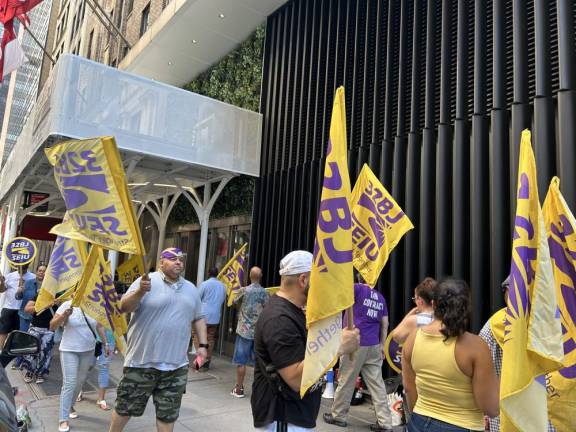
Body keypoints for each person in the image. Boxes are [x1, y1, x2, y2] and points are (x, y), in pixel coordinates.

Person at [251, 250, 360, 431]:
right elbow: (295, 378)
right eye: (319, 280)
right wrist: (337, 347)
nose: (323, 286)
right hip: (284, 417)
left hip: (297, 415)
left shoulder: (296, 310)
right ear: (303, 280)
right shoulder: (279, 320)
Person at [108, 247, 208, 432]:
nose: (178, 262)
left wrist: (202, 345)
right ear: (161, 262)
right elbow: (122, 307)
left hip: (175, 367)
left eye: (181, 259)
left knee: (167, 417)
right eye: (173, 258)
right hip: (141, 363)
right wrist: (140, 292)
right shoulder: (146, 281)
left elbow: (199, 317)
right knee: (124, 410)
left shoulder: (191, 288)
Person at [401, 278, 499, 432]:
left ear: (433, 304)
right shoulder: (476, 347)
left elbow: (409, 388)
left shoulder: (413, 338)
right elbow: (491, 408)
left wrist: (418, 414)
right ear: (467, 308)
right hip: (463, 425)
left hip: (418, 421)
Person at [478, 276, 556, 432]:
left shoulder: (495, 324)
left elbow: (481, 373)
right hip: (548, 408)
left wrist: (482, 410)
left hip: (508, 411)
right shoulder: (554, 323)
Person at [323, 274, 392, 431]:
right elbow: (385, 324)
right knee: (377, 385)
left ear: (359, 277)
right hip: (374, 345)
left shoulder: (356, 289)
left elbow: (337, 294)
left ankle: (338, 416)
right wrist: (382, 345)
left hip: (355, 342)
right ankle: (385, 422)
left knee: (346, 379)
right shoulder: (380, 298)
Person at [50, 300, 111, 432]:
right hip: (69, 350)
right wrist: (64, 316)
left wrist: (106, 343)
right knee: (70, 383)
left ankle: (70, 405)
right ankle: (63, 419)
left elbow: (99, 326)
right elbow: (52, 326)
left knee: (80, 381)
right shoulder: (67, 305)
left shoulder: (95, 304)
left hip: (88, 350)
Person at [230, 266, 268, 398]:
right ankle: (258, 391)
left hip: (243, 331)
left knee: (241, 361)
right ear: (260, 276)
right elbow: (267, 308)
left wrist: (241, 307)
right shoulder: (264, 292)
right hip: (258, 332)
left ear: (250, 276)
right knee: (259, 363)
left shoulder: (244, 290)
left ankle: (239, 389)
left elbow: (233, 302)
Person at [20, 291, 59, 383]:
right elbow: (27, 309)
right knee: (31, 350)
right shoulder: (38, 296)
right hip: (35, 328)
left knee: (45, 352)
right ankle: (29, 372)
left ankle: (40, 373)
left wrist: (59, 303)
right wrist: (43, 306)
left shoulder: (59, 297)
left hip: (49, 330)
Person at [194, 266, 226, 370]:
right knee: (210, 338)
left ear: (208, 273)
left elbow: (197, 298)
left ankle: (199, 362)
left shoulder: (205, 284)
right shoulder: (222, 286)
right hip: (215, 316)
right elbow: (222, 299)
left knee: (197, 336)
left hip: (202, 316)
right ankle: (207, 360)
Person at [391, 277, 436, 344]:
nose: (415, 302)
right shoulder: (445, 318)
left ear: (420, 300)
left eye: (415, 298)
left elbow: (396, 336)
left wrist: (409, 315)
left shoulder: (414, 320)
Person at [0, 265, 35, 350]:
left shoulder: (33, 277)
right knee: (3, 332)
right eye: (20, 266)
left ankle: (16, 355)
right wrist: (1, 280)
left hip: (23, 310)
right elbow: (2, 290)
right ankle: (1, 353)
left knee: (19, 333)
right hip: (8, 308)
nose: (22, 268)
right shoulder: (10, 276)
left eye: (24, 267)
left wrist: (24, 288)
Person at [18, 265, 46, 332]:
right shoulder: (28, 283)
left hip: (40, 318)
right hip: (25, 316)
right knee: (23, 335)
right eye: (40, 270)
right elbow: (18, 297)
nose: (41, 272)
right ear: (36, 272)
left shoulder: (49, 286)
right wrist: (19, 292)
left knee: (34, 339)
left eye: (44, 271)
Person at [95, 328, 116, 411]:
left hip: (109, 340)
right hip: (89, 339)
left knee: (104, 368)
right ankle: (79, 390)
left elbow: (118, 324)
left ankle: (101, 399)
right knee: (86, 367)